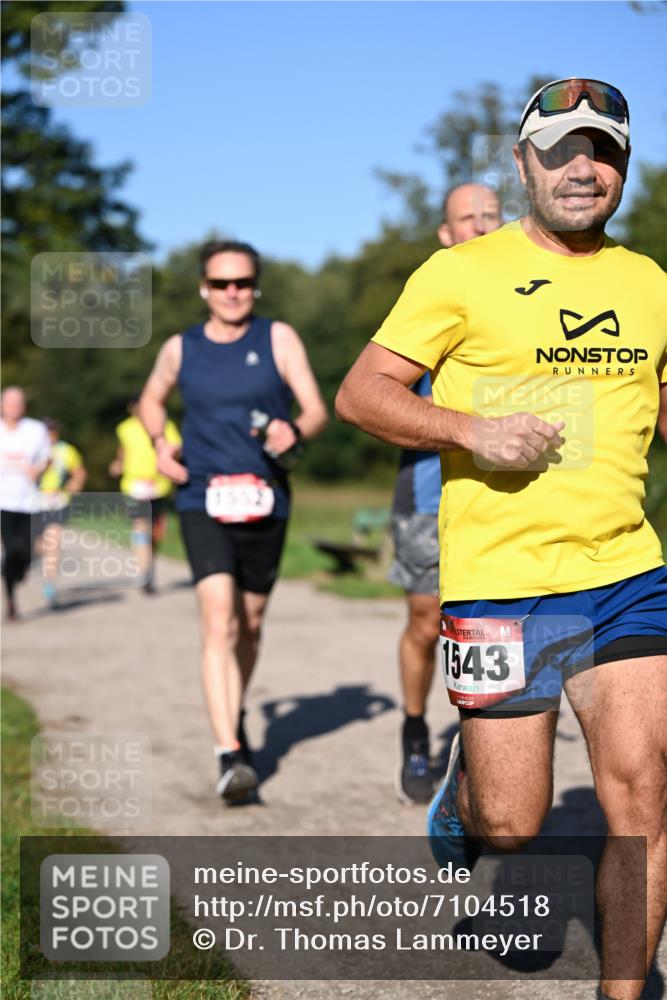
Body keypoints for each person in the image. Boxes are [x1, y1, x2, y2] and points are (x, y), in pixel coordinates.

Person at [336, 79, 666, 1000]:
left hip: (626, 571)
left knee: (642, 791)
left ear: (623, 167)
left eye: (601, 151)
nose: (581, 169)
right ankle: (465, 794)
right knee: (513, 824)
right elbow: (360, 394)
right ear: (523, 164)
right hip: (500, 582)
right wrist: (471, 431)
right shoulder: (459, 275)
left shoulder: (649, 284)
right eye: (559, 151)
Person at [138, 239, 327, 802]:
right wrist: (160, 441)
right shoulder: (181, 347)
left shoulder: (278, 338)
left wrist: (294, 429)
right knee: (218, 617)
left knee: (250, 622)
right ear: (204, 288)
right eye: (221, 283)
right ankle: (230, 754)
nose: (232, 292)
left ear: (255, 287)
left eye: (242, 282)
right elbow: (150, 400)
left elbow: (316, 409)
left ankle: (233, 709)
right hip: (202, 495)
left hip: (266, 497)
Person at [392, 184, 501, 804]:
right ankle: (415, 731)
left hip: (506, 492)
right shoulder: (432, 292)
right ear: (445, 232)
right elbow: (377, 392)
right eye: (468, 217)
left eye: (492, 215)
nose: (481, 226)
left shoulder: (529, 293)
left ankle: (483, 749)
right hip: (428, 489)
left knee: (494, 627)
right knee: (424, 621)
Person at [108, 396, 181, 595]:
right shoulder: (125, 428)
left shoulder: (166, 425)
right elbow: (123, 451)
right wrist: (119, 464)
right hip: (134, 485)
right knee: (141, 526)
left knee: (156, 534)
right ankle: (144, 573)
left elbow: (176, 449)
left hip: (159, 485)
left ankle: (149, 566)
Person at [0, 387, 51, 620]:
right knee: (12, 548)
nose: (14, 407)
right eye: (10, 403)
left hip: (29, 501)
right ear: (2, 405)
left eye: (18, 403)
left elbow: (47, 458)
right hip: (3, 501)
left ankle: (16, 573)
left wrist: (38, 469)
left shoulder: (36, 430)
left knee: (27, 553)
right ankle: (11, 600)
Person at [38, 418, 87, 606]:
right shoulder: (31, 447)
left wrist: (74, 485)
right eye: (46, 432)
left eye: (52, 432)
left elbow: (79, 472)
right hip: (32, 501)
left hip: (57, 501)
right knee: (37, 545)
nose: (50, 436)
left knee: (54, 541)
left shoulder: (66, 450)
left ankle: (49, 582)